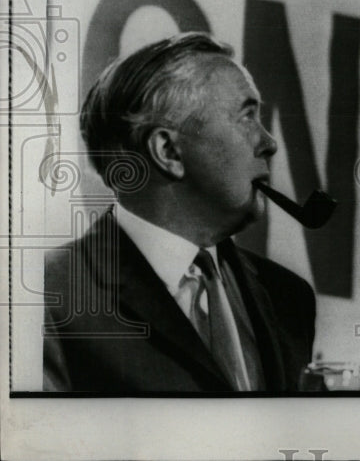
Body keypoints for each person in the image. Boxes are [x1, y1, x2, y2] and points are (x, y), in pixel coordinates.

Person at [43, 33, 316, 392]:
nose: (269, 143)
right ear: (168, 150)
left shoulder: (288, 297)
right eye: (247, 116)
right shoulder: (49, 293)